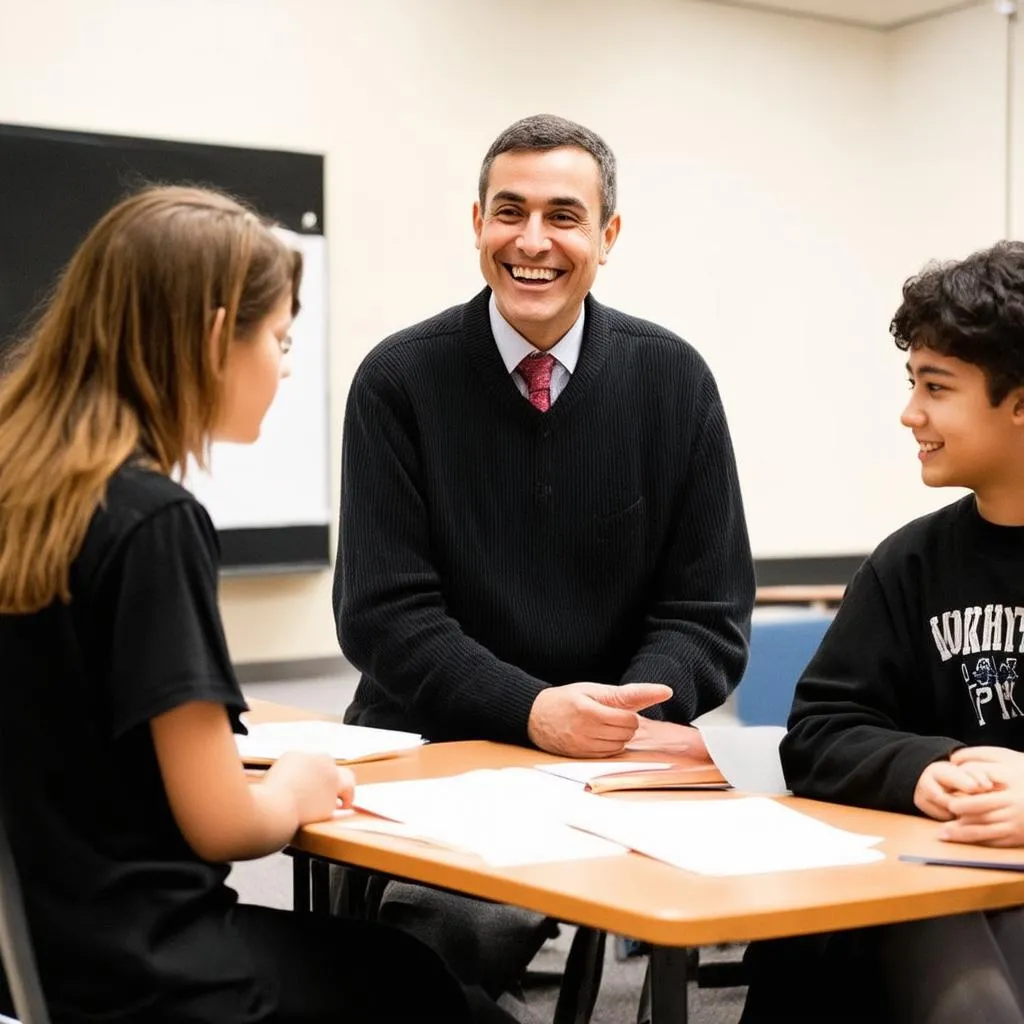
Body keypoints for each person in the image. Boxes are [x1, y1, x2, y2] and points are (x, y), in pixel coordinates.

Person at [0, 184, 504, 1024]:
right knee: (425, 986)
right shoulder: (152, 522)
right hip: (157, 974)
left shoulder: (29, 496)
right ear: (210, 337)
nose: (286, 363)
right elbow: (221, 823)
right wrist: (299, 787)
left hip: (41, 959)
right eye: (279, 338)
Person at [334, 113, 755, 1018]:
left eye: (564, 216)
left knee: (756, 919)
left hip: (615, 759)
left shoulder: (674, 381)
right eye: (509, 212)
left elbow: (706, 612)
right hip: (436, 754)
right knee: (435, 942)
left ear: (608, 236)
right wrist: (533, 712)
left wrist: (622, 715)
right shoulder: (399, 382)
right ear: (476, 221)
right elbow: (383, 615)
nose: (532, 242)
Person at [742, 240, 1024, 1024]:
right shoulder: (909, 564)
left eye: (936, 388)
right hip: (926, 888)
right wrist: (927, 769)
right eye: (912, 384)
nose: (911, 414)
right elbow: (821, 733)